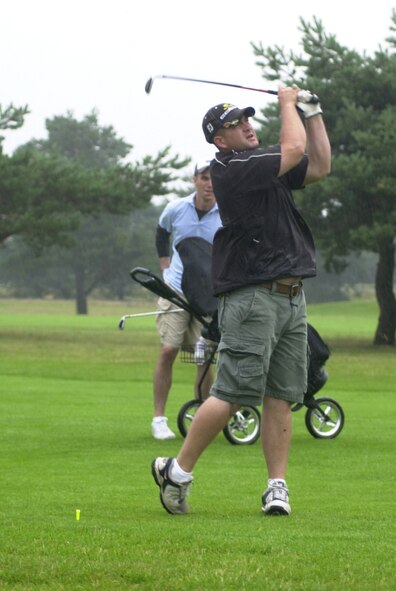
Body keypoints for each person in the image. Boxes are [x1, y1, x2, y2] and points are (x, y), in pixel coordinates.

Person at [151, 86, 331, 513]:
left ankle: (276, 486)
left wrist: (314, 112)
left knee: (281, 394)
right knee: (232, 392)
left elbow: (320, 165)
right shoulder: (232, 167)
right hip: (253, 295)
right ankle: (178, 473)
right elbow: (291, 147)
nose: (248, 126)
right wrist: (287, 102)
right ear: (219, 139)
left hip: (290, 295)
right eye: (236, 124)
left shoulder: (262, 167)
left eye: (248, 120)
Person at [151, 161, 222, 440]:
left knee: (204, 357)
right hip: (176, 289)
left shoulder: (226, 213)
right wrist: (165, 265)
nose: (210, 184)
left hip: (206, 293)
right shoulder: (176, 208)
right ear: (195, 180)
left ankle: (205, 417)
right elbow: (161, 233)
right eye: (204, 177)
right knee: (169, 349)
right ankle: (159, 419)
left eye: (214, 178)